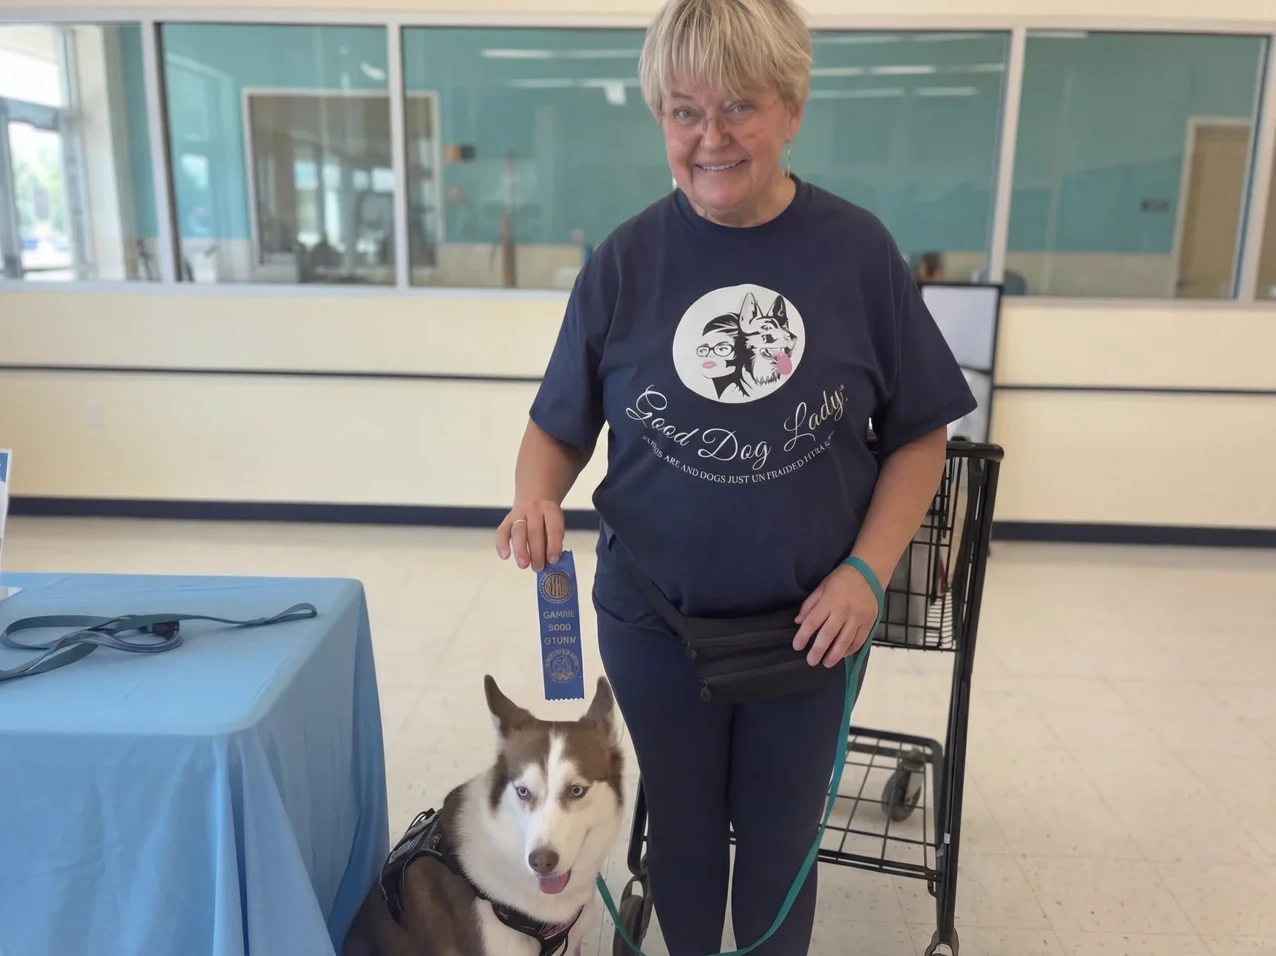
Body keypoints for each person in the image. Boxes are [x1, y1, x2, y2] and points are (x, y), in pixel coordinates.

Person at [494, 0, 975, 952]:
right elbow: (557, 426)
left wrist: (866, 574)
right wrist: (534, 496)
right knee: (675, 833)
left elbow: (922, 435)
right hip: (653, 621)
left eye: (739, 107)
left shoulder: (858, 255)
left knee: (779, 844)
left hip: (810, 631)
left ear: (792, 110)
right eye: (683, 112)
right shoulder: (626, 261)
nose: (710, 137)